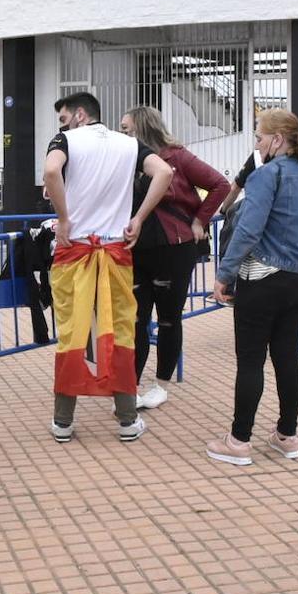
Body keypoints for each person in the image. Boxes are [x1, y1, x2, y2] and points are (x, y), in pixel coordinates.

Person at [44, 92, 173, 444]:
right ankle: (127, 420)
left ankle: (63, 422)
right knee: (120, 332)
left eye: (64, 117)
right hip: (116, 251)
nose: (63, 123)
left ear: (80, 115)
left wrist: (64, 218)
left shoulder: (65, 140)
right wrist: (139, 218)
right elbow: (164, 171)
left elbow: (51, 170)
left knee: (71, 333)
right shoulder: (129, 145)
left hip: (75, 250)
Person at [207, 109, 298, 467]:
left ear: (277, 139)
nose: (257, 144)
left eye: (259, 137)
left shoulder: (265, 176)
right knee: (287, 356)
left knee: (251, 360)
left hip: (262, 278)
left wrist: (224, 272)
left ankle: (239, 440)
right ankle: (286, 435)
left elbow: (248, 230)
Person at [119, 106, 230, 410]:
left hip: (174, 246)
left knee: (169, 319)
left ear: (142, 129)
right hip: (137, 247)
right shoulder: (125, 159)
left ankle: (161, 385)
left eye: (127, 129)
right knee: (136, 319)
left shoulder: (176, 156)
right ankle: (130, 386)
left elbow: (220, 184)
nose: (122, 134)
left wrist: (200, 221)